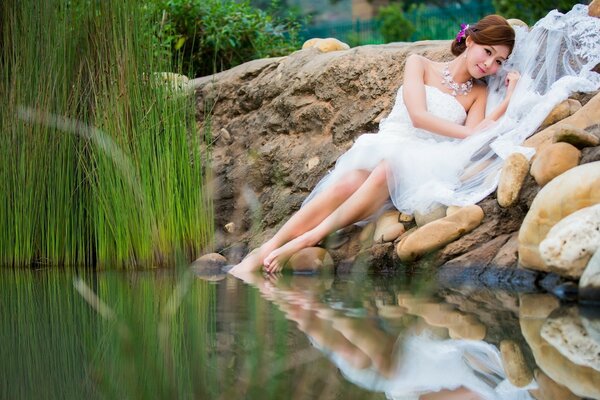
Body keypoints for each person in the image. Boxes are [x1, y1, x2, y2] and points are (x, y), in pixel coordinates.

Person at [230, 5, 600, 276]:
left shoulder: (478, 94)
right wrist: (470, 129)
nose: (490, 65)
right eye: (487, 52)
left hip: (422, 158)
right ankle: (265, 248)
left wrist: (504, 106)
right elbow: (419, 115)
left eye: (500, 61)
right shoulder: (419, 63)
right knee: (344, 183)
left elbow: (476, 136)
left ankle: (305, 240)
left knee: (389, 168)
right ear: (470, 41)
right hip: (388, 142)